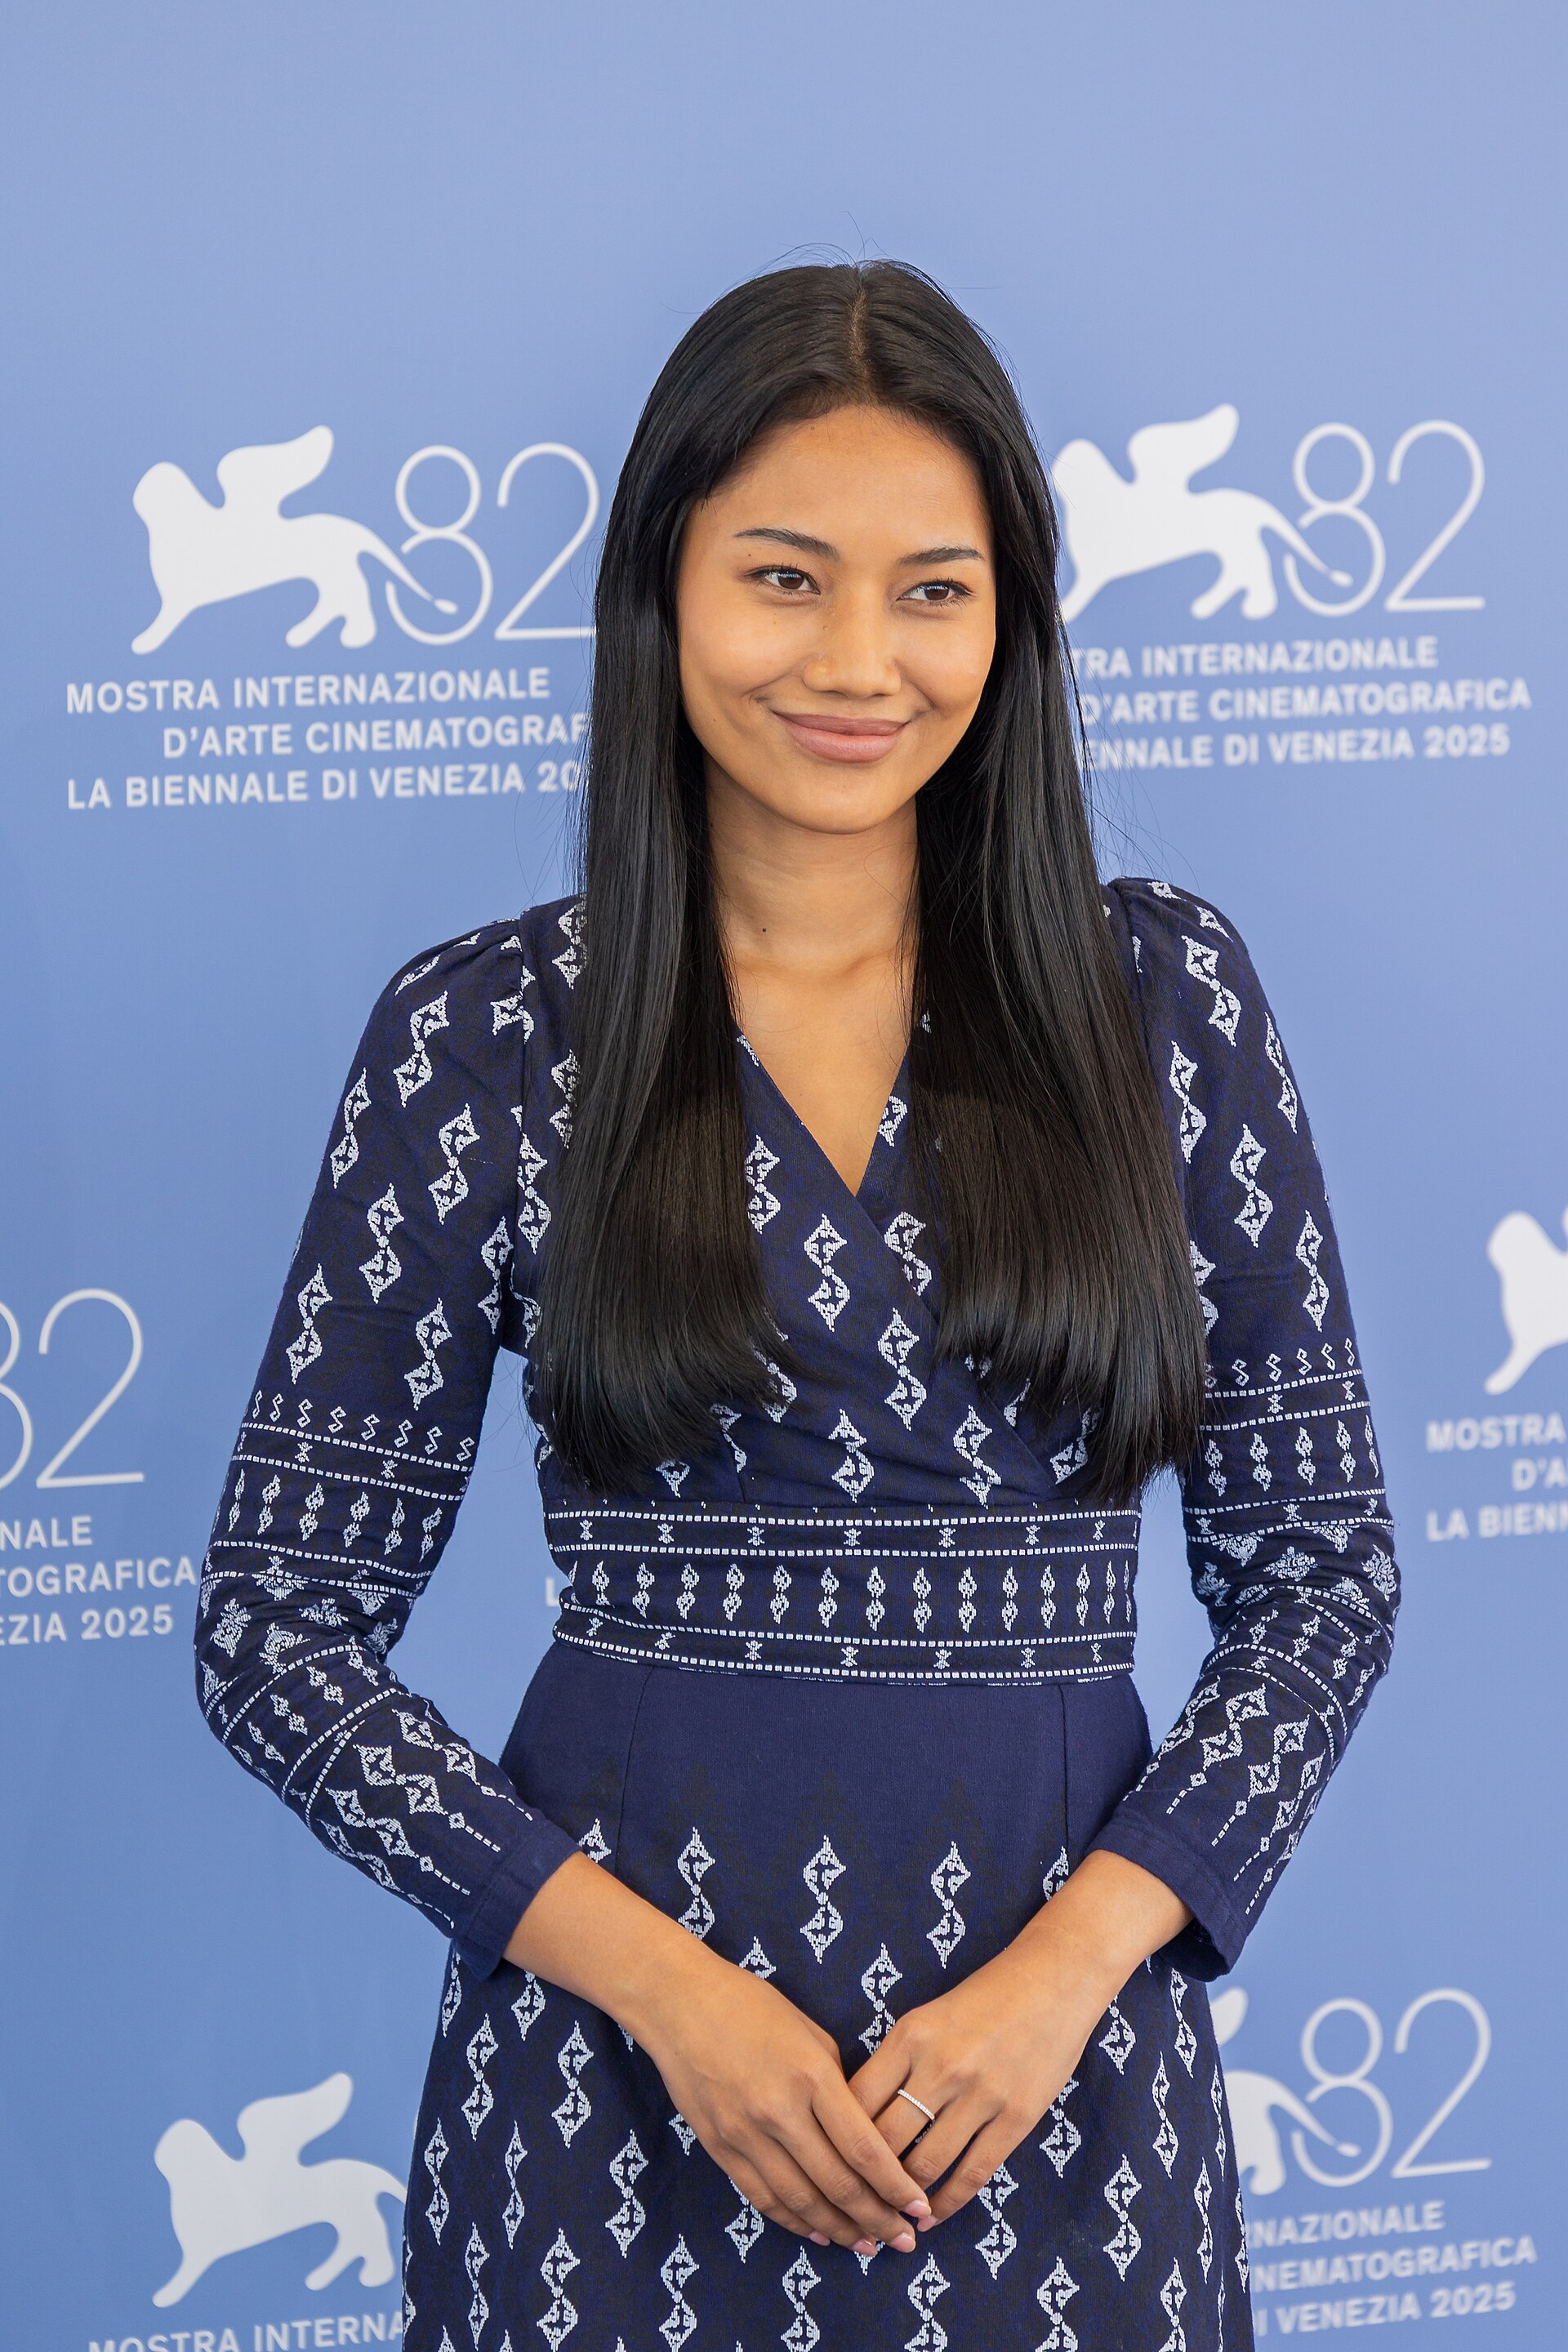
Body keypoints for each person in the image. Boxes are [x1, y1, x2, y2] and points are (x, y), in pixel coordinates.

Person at [198, 261, 1398, 2351]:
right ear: (659, 588)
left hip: (1061, 2120)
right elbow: (272, 1633)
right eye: (783, 578)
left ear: (1013, 621)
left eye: (934, 591)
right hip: (608, 2118)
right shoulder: (487, 1038)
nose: (859, 660)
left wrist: (1072, 1977)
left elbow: (1322, 1578)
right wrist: (665, 1996)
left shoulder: (1162, 1005)